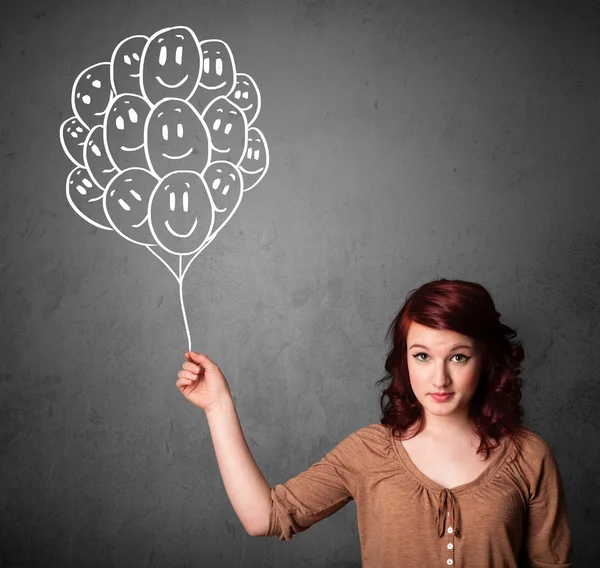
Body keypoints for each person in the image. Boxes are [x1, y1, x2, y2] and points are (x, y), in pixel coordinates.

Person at [176, 278, 572, 567]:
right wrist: (218, 406)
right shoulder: (369, 450)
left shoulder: (529, 455)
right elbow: (264, 516)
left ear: (485, 360)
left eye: (458, 357)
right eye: (422, 356)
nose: (439, 379)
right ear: (404, 360)